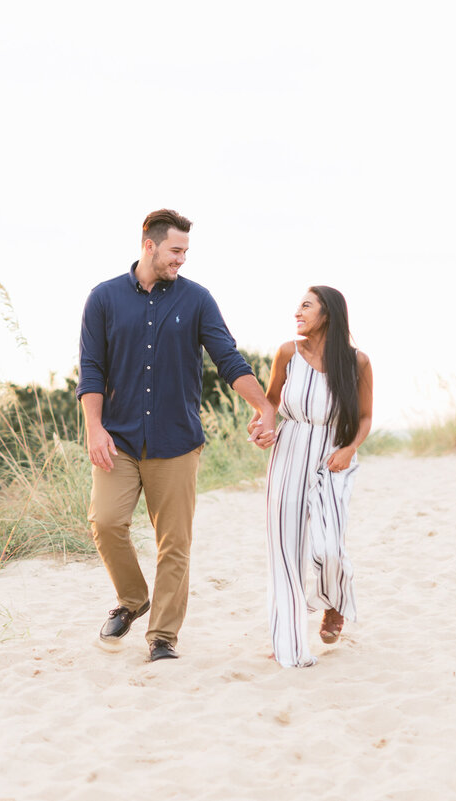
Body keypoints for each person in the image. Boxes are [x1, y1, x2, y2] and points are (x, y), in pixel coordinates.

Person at [76, 209, 277, 663]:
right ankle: (132, 600)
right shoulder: (104, 298)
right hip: (118, 439)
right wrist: (94, 428)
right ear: (148, 245)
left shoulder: (197, 299)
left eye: (186, 252)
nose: (182, 260)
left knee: (174, 543)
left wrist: (263, 406)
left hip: (177, 440)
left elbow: (228, 357)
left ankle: (162, 636)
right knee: (105, 523)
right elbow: (91, 368)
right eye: (175, 251)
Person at [251, 286, 373, 668]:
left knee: (329, 547)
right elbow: (270, 402)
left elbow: (366, 415)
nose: (297, 313)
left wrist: (350, 449)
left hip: (332, 455)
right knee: (285, 551)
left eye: (306, 306)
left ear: (328, 314)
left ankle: (334, 601)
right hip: (288, 451)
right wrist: (261, 427)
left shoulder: (357, 363)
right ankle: (287, 639)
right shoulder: (288, 353)